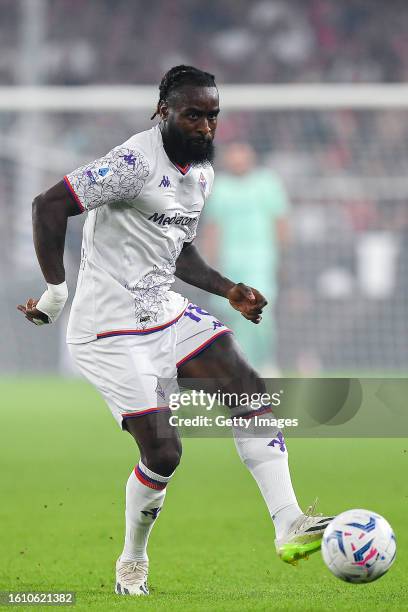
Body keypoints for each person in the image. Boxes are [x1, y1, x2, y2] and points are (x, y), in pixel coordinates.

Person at [18, 65, 332, 597]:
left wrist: (226, 287)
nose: (206, 127)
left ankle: (288, 521)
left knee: (250, 389)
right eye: (193, 115)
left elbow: (175, 245)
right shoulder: (133, 163)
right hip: (107, 330)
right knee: (164, 454)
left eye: (212, 116)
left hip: (162, 310)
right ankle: (133, 560)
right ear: (164, 112)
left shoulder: (201, 172)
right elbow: (48, 206)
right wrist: (55, 293)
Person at [203, 142, 290, 373]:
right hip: (231, 260)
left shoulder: (267, 183)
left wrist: (283, 256)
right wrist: (210, 265)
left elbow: (280, 221)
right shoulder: (220, 187)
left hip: (261, 257)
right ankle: (244, 364)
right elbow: (213, 227)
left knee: (262, 310)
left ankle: (265, 361)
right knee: (236, 314)